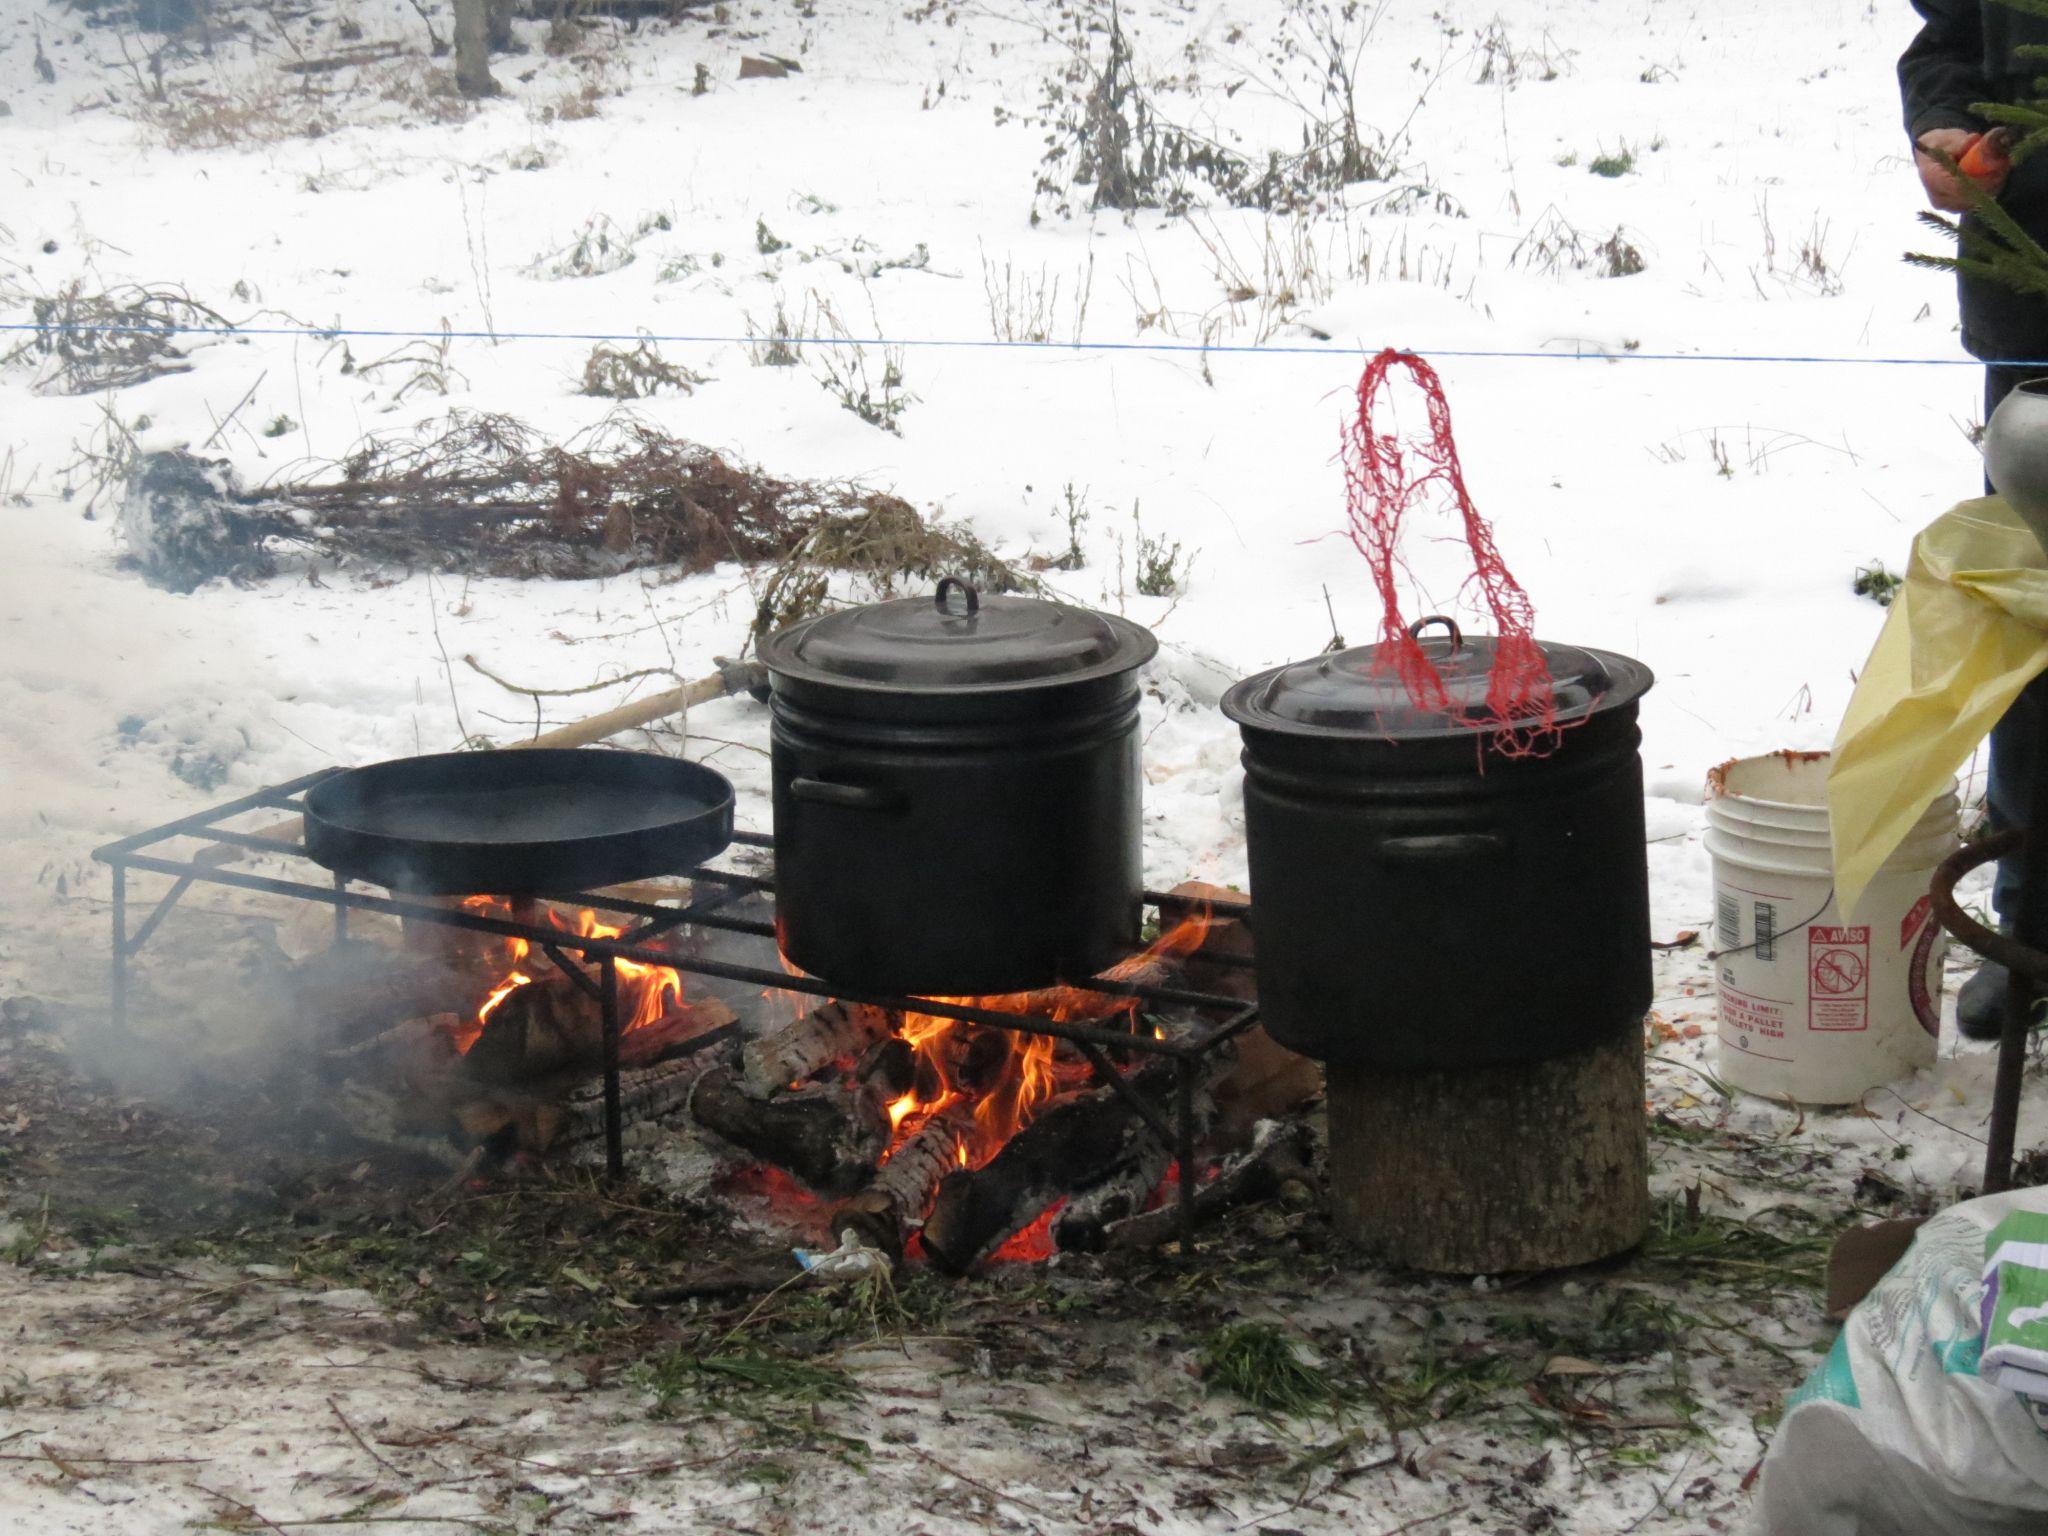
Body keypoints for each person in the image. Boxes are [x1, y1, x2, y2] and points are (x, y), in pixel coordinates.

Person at [1902, 0, 2048, 1038]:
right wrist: (1946, 128)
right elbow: (1948, 35)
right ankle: (2029, 930)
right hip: (2028, 294)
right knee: (2029, 626)